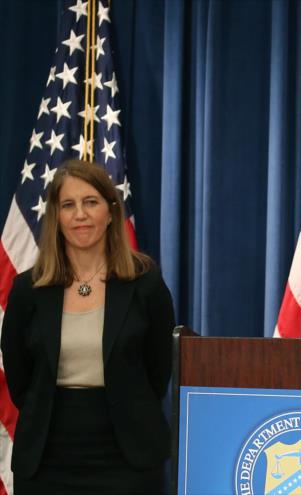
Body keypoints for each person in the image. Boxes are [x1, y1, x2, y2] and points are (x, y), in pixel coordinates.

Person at [1, 160, 175, 493]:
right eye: (68, 205)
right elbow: (20, 377)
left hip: (128, 458)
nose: (79, 214)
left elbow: (158, 370)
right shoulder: (29, 289)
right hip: (46, 460)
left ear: (111, 212)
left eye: (90, 202)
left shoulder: (144, 283)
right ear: (57, 217)